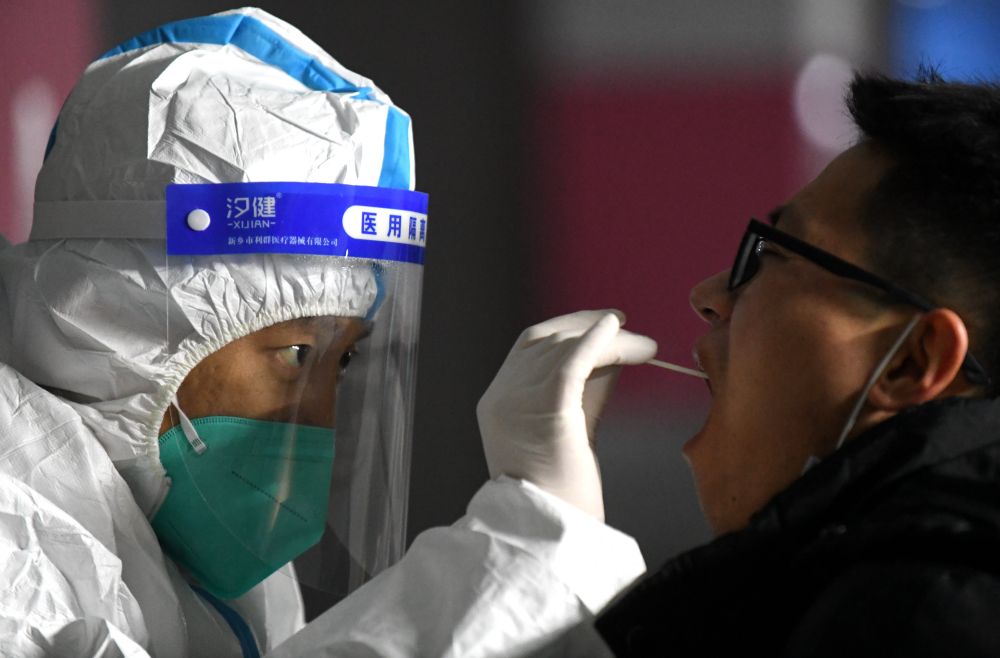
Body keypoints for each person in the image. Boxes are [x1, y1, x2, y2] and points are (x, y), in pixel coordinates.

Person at [271, 73, 1000, 657]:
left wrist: (534, 534)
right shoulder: (846, 595)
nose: (708, 295)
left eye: (773, 255)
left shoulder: (923, 620)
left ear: (913, 360)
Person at [0, 8, 652, 657]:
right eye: (296, 354)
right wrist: (529, 557)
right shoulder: (15, 541)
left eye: (341, 362)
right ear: (126, 319)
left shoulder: (207, 575)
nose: (318, 422)